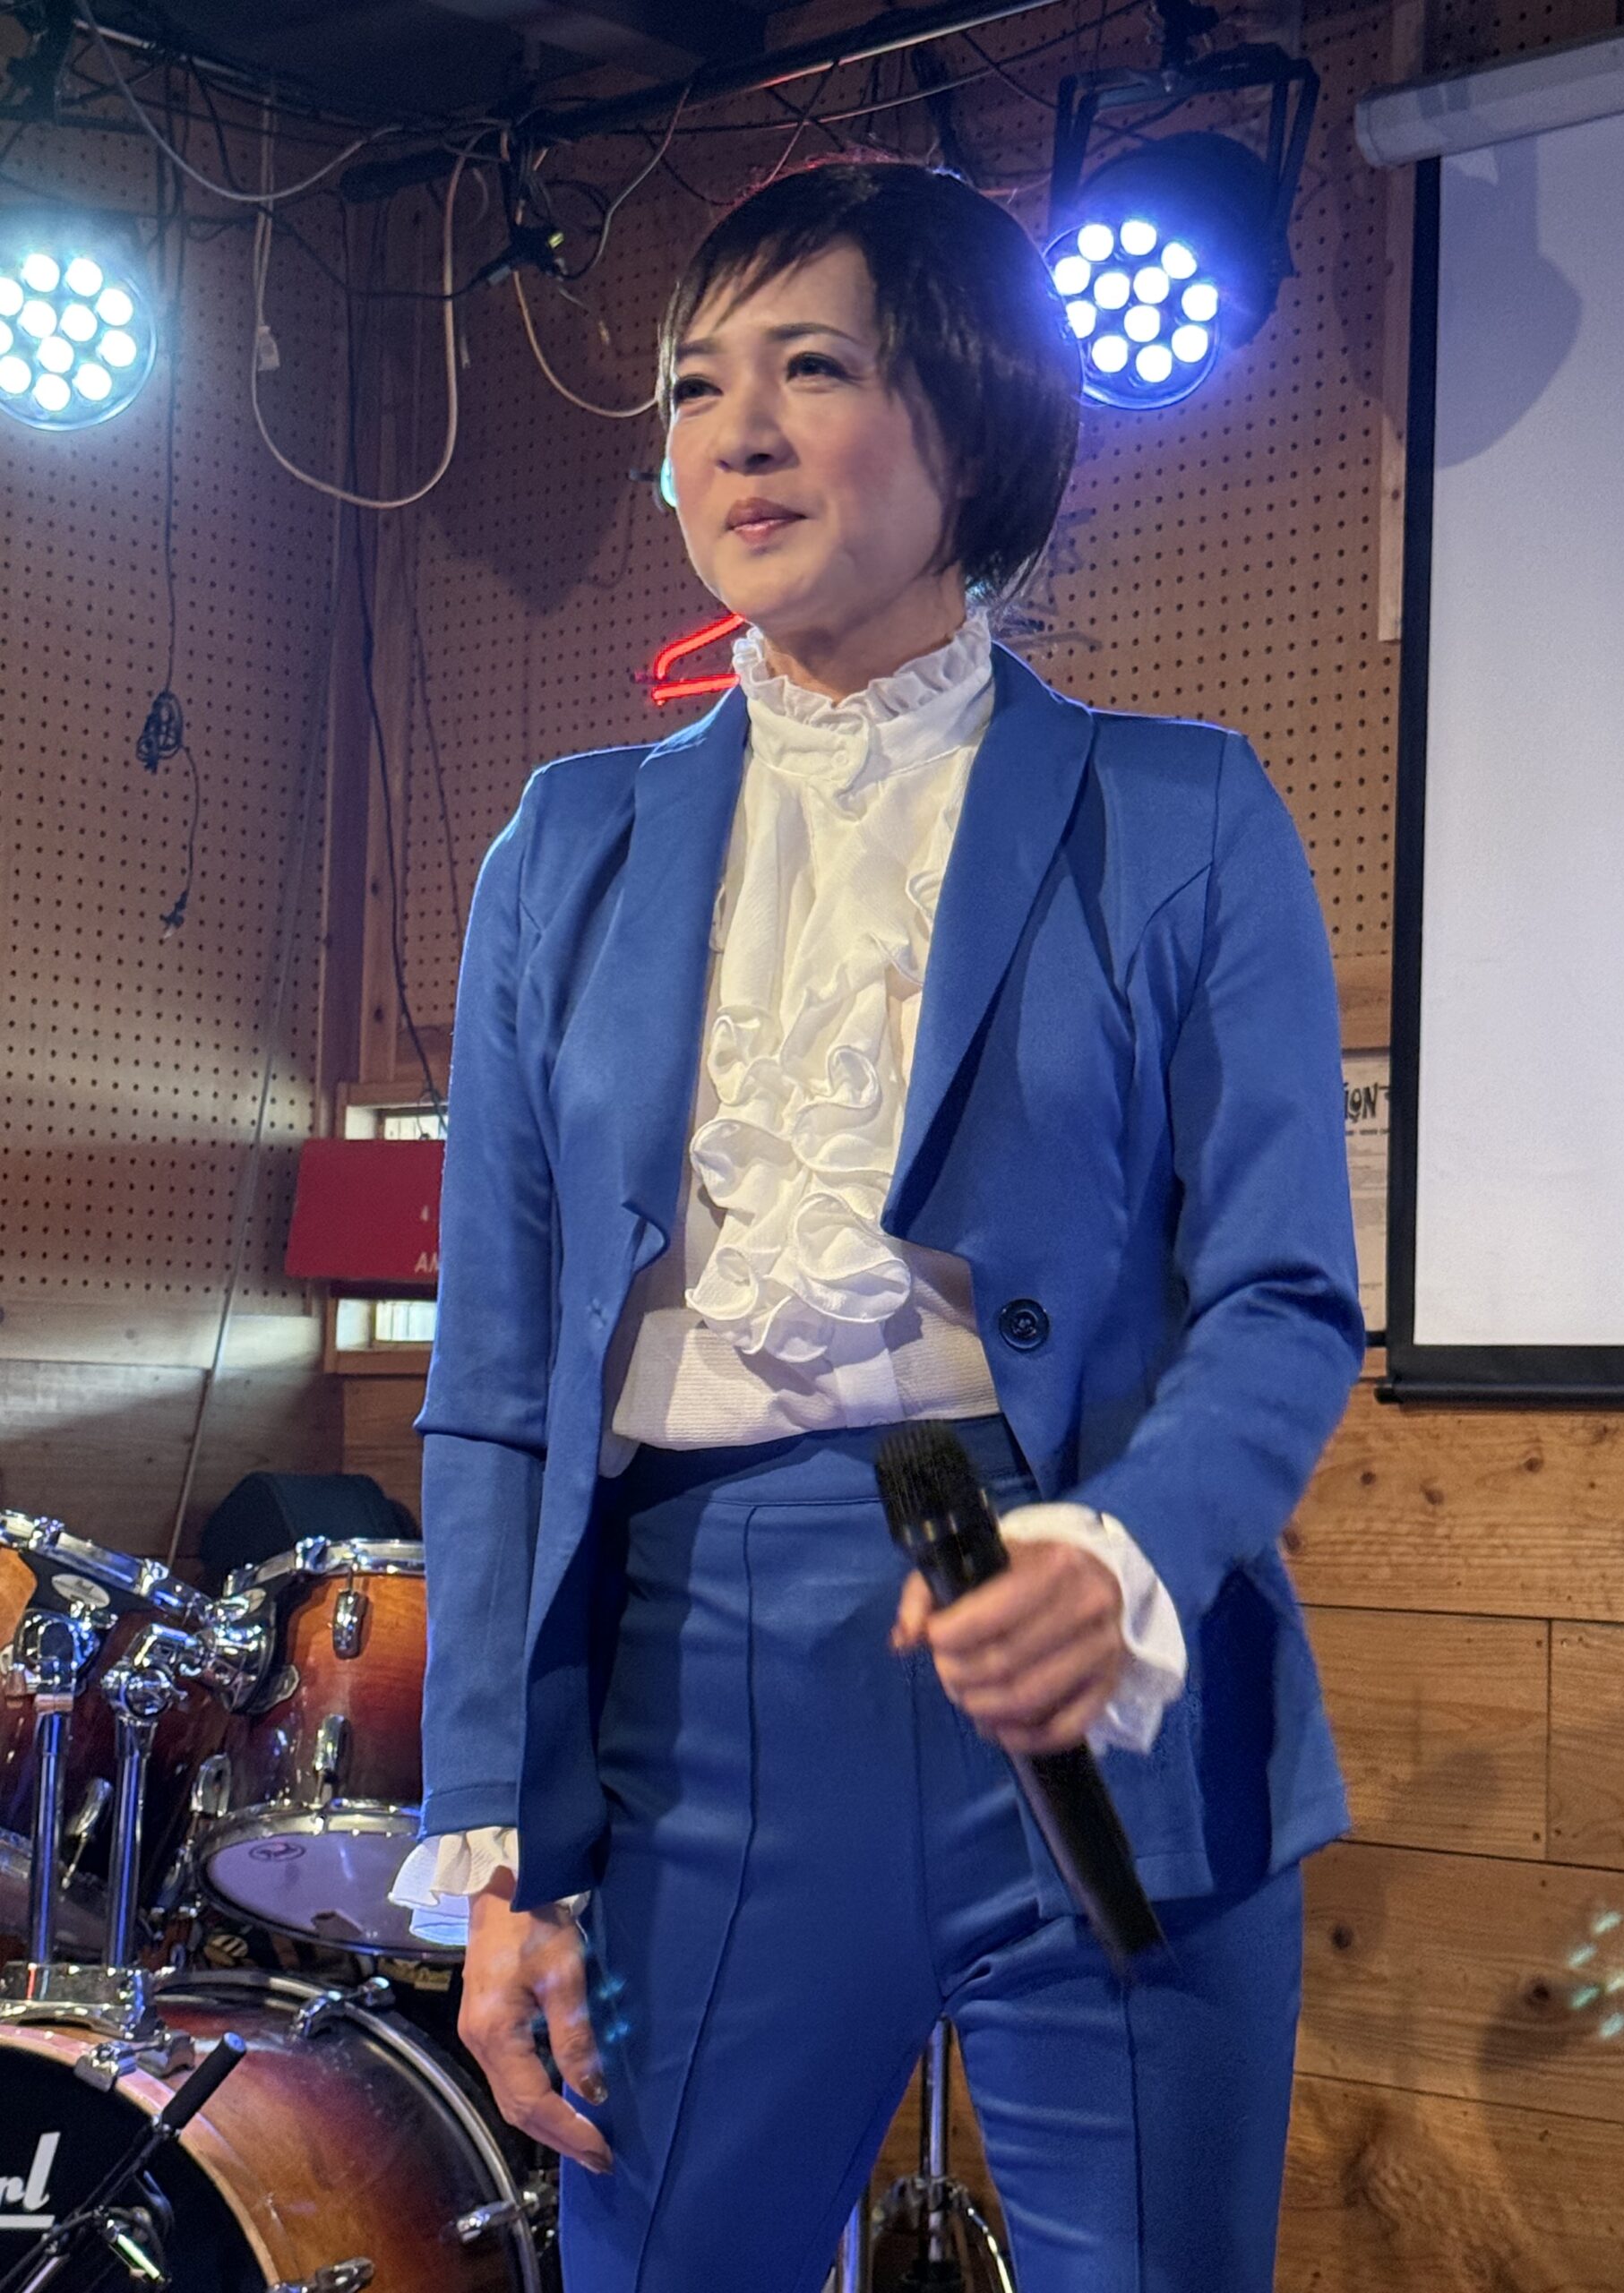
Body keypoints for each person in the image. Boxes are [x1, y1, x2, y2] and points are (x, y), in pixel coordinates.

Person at [391, 159, 1364, 2293]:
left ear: (970, 422)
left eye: (811, 369)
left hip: (1091, 1658)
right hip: (695, 1682)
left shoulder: (1185, 808)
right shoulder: (561, 846)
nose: (734, 432)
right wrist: (500, 1834)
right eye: (694, 388)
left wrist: (1125, 1551)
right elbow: (495, 1380)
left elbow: (1286, 1292)